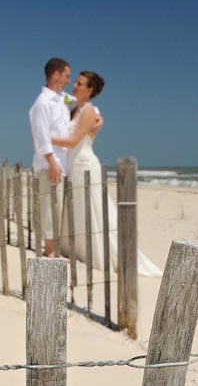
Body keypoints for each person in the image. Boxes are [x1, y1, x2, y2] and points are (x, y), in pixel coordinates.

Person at [52, 71, 163, 277]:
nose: (74, 85)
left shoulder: (88, 110)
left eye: (80, 83)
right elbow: (57, 97)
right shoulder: (73, 106)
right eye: (75, 81)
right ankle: (77, 250)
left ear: (90, 89)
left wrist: (44, 140)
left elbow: (74, 141)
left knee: (95, 210)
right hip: (72, 166)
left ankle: (106, 255)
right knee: (76, 209)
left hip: (85, 164)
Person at [29, 57, 71, 257]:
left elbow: (82, 104)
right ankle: (49, 251)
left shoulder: (62, 98)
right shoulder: (42, 103)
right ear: (56, 74)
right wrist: (52, 162)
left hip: (62, 162)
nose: (68, 80)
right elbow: (41, 135)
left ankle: (54, 249)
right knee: (48, 207)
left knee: (58, 207)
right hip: (49, 164)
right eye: (66, 76)